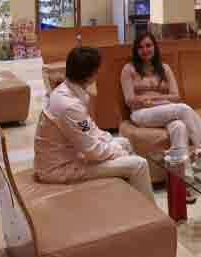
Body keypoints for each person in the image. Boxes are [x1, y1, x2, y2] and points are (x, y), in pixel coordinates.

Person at [34, 46, 155, 203]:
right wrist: (117, 152)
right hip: (59, 168)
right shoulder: (69, 105)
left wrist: (112, 143)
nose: (98, 73)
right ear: (90, 74)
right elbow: (92, 151)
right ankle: (148, 211)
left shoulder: (70, 91)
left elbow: (90, 129)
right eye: (97, 70)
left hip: (70, 155)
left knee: (123, 142)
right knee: (139, 164)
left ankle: (128, 202)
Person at [120, 32, 201, 152]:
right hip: (141, 113)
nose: (145, 50)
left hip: (165, 109)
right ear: (136, 50)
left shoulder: (165, 68)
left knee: (179, 126)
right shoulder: (128, 69)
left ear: (154, 47)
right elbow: (129, 100)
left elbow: (176, 96)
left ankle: (180, 162)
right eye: (140, 47)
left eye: (148, 45)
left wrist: (151, 99)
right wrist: (162, 99)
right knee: (183, 109)